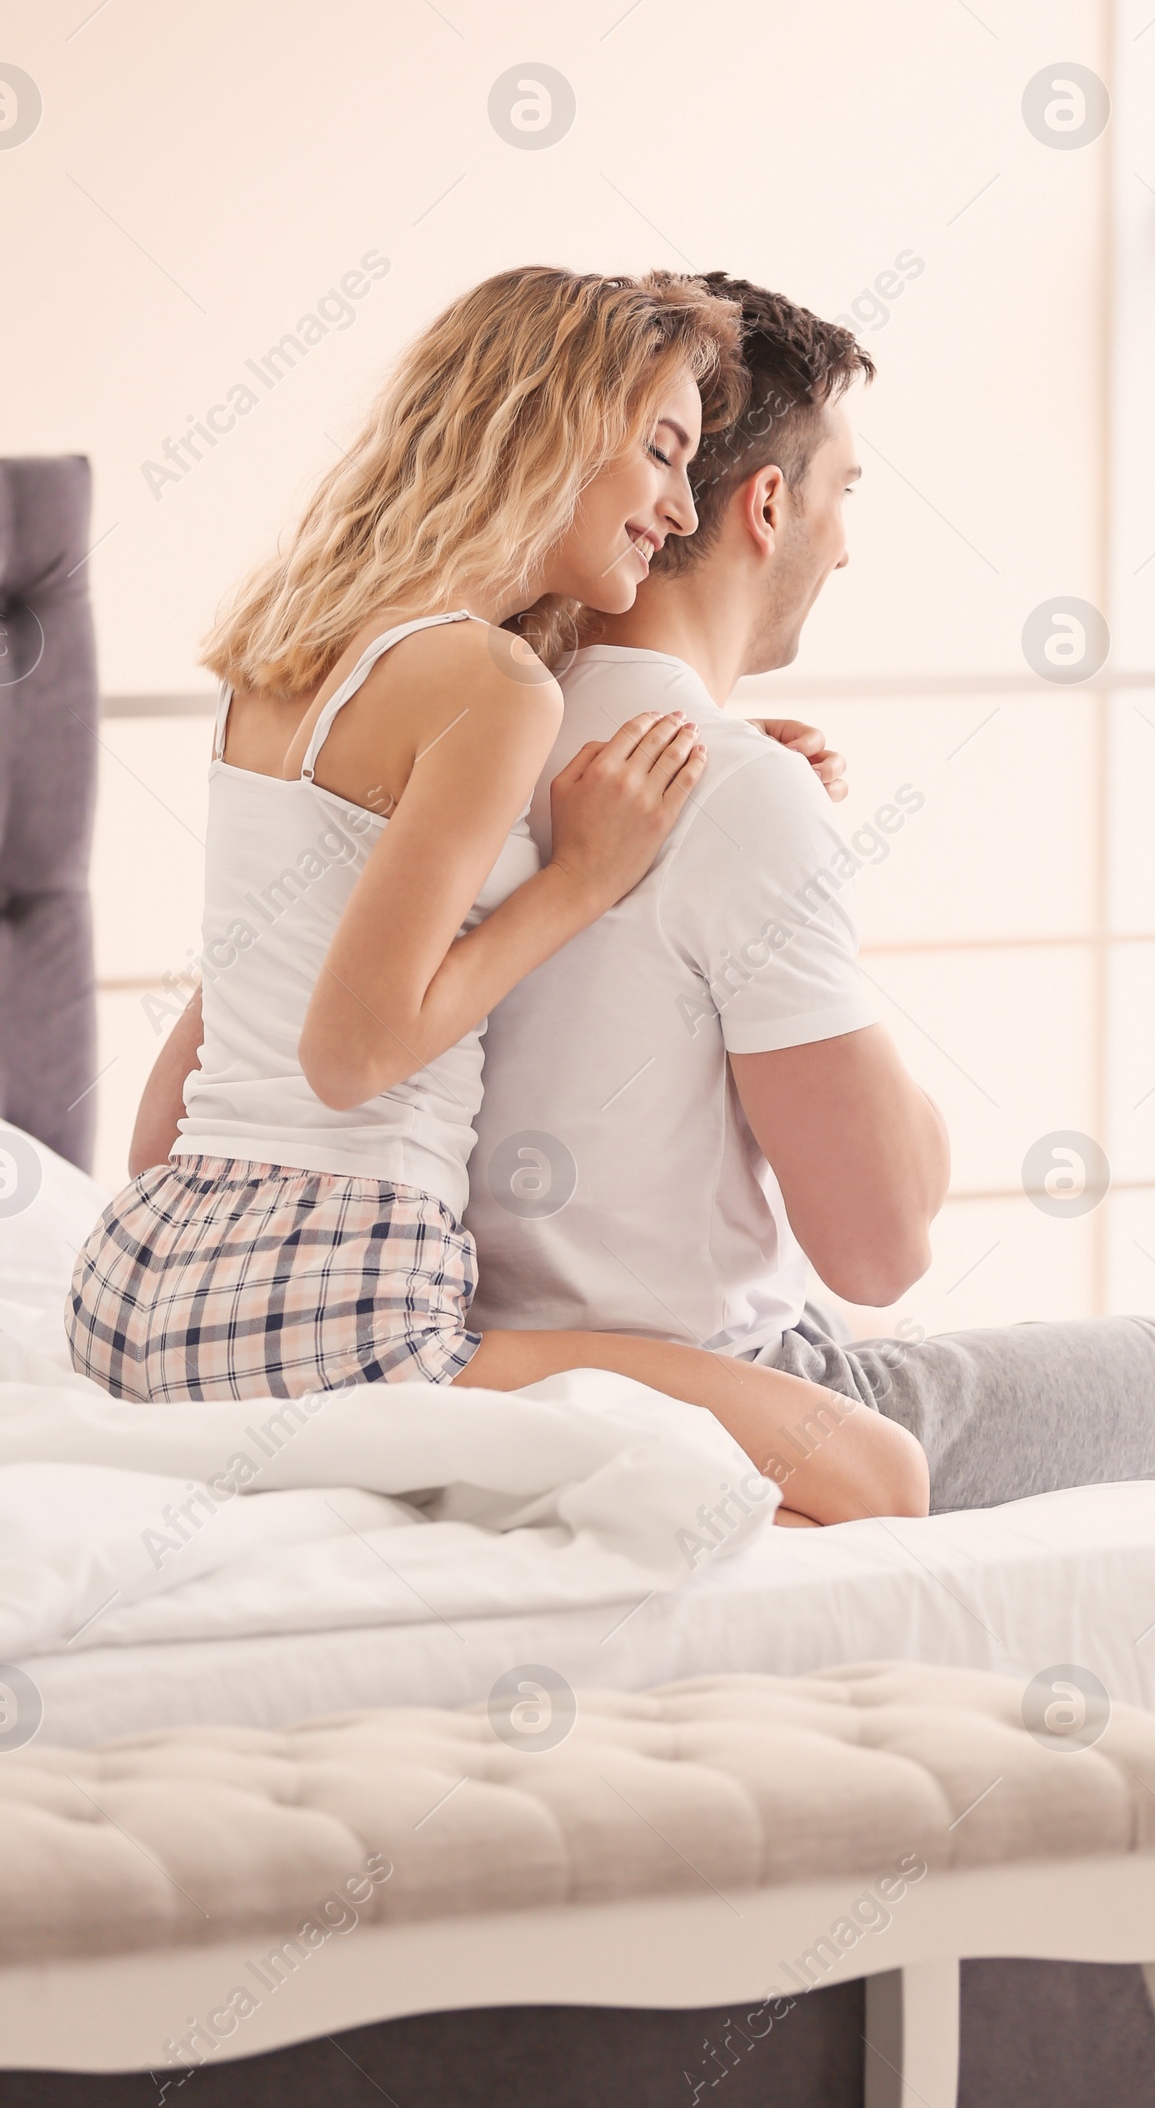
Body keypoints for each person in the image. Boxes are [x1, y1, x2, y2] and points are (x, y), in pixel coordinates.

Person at [465, 273, 1155, 1514]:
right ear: (768, 505)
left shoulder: (467, 726)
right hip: (728, 1395)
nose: (845, 544)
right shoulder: (733, 788)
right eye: (843, 492)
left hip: (490, 1360)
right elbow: (880, 1248)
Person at [86, 266, 930, 1529]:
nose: (674, 508)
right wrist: (585, 877)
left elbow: (170, 1125)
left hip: (141, 1278)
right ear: (550, 431)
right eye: (659, 453)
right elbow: (348, 1055)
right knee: (877, 1474)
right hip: (340, 1306)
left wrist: (726, 756)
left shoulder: (289, 662)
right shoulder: (497, 689)